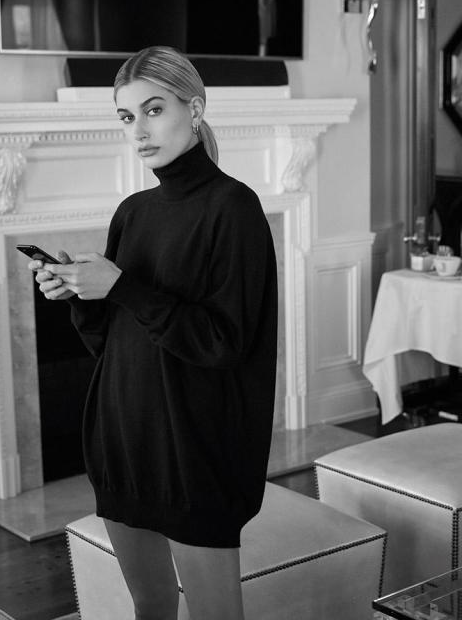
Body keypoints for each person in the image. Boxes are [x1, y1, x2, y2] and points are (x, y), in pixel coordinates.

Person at [28, 46, 278, 619]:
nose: (139, 130)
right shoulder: (133, 212)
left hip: (195, 449)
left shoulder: (234, 208)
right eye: (126, 116)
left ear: (195, 109)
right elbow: (112, 341)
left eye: (154, 109)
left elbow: (224, 342)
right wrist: (79, 293)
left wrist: (121, 286)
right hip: (122, 437)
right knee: (151, 605)